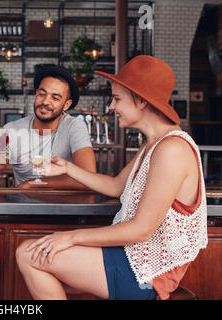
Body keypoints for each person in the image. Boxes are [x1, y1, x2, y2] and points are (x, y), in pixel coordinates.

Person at [16, 55, 208, 300]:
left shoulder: (172, 150)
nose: (111, 107)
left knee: (29, 254)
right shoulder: (154, 144)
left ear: (141, 101)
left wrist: (69, 237)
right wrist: (67, 167)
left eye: (117, 99)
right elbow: (117, 186)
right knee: (39, 257)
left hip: (145, 273)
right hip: (131, 257)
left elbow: (141, 230)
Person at [0, 64, 96, 189]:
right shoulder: (13, 130)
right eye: (41, 94)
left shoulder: (74, 126)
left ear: (66, 105)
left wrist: (31, 184)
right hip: (25, 205)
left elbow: (88, 177)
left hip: (65, 205)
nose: (45, 102)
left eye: (55, 98)